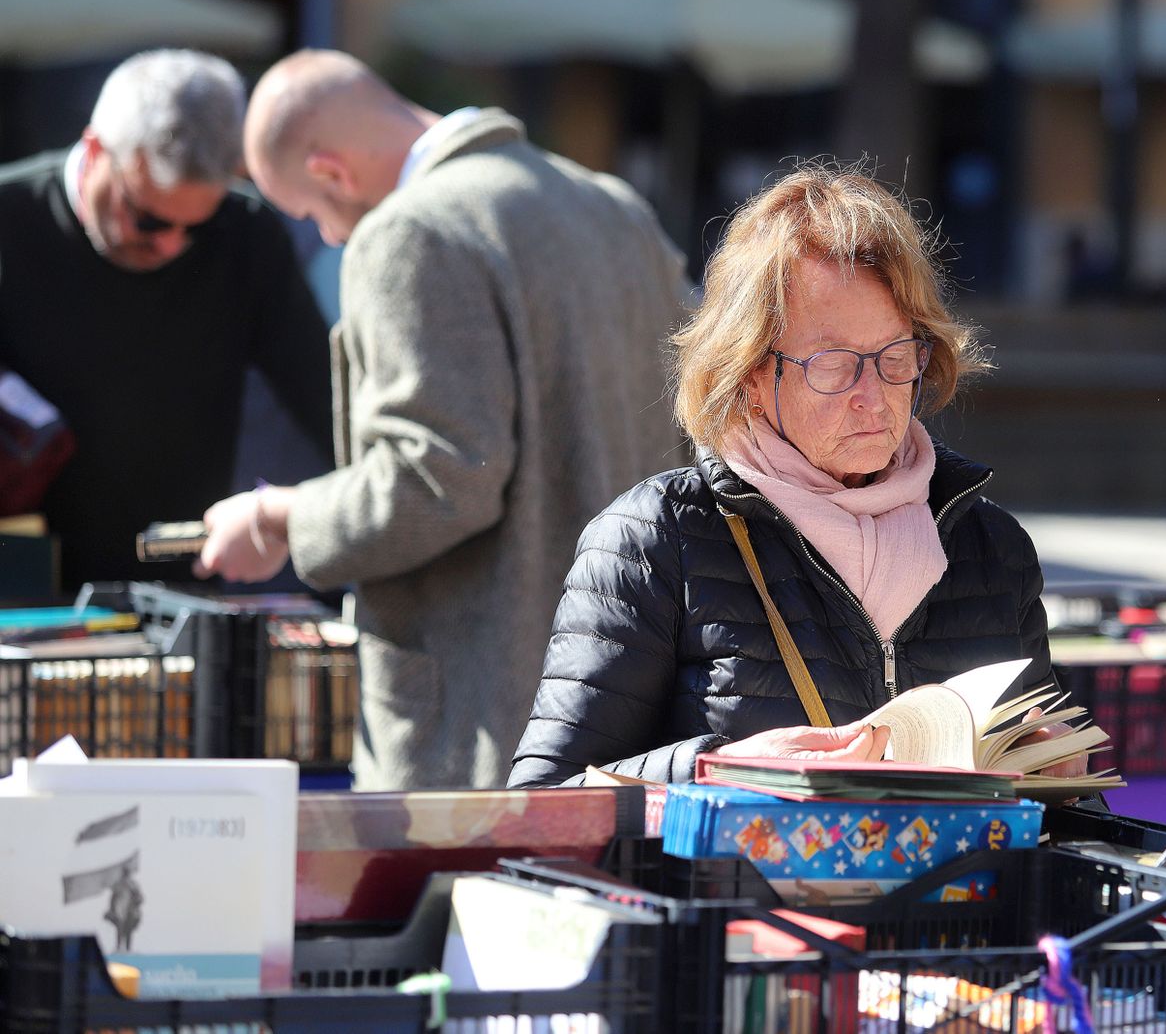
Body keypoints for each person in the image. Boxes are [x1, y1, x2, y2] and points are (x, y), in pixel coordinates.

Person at [194, 50, 690, 791]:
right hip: (636, 710)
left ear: (330, 171)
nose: (328, 236)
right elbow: (702, 421)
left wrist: (282, 517)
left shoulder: (408, 232)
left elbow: (437, 476)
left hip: (483, 727)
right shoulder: (614, 206)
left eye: (311, 213)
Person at [508, 165, 1086, 787]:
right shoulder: (652, 541)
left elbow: (1058, 822)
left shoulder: (991, 549)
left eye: (895, 357)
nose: (874, 397)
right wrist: (716, 771)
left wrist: (1057, 781)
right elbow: (544, 806)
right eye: (835, 365)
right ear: (751, 373)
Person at [0, 49, 333, 589]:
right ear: (95, 148)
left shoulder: (246, 235)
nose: (171, 245)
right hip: (21, 589)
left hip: (174, 585)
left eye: (196, 227)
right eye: (149, 218)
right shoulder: (10, 217)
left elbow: (326, 397)